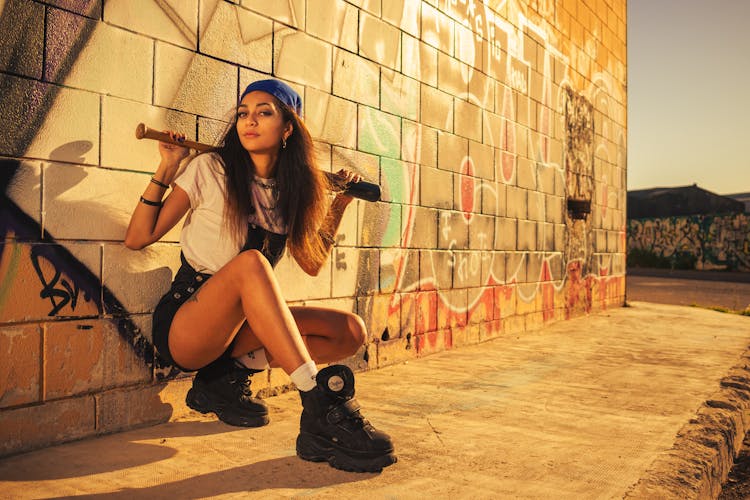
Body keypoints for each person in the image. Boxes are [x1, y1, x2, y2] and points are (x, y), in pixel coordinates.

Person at [124, 79, 396, 472]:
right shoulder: (210, 168)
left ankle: (220, 381)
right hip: (189, 324)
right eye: (243, 112)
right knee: (253, 262)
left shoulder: (290, 192)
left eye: (263, 112)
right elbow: (138, 238)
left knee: (349, 332)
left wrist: (340, 202)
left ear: (288, 128)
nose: (249, 121)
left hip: (240, 329)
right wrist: (167, 167)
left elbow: (312, 262)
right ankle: (318, 405)